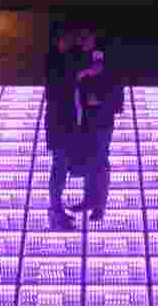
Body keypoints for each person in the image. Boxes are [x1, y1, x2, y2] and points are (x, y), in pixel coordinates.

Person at [69, 27, 123, 222]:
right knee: (91, 161)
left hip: (102, 121)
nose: (81, 42)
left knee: (100, 161)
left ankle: (99, 205)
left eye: (85, 38)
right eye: (80, 38)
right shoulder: (86, 59)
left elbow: (116, 95)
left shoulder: (108, 64)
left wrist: (100, 101)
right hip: (88, 121)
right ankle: (90, 200)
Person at [43, 26, 83, 230]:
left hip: (62, 123)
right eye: (66, 39)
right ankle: (55, 210)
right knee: (59, 166)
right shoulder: (55, 63)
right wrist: (80, 74)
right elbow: (62, 86)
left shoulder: (61, 59)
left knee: (61, 166)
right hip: (60, 124)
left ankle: (56, 207)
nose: (69, 43)